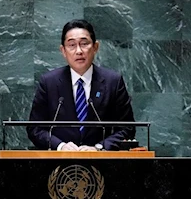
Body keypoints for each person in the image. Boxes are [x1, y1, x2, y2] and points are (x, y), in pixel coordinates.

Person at [27, 19, 135, 151]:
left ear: (95, 47)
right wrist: (60, 146)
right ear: (63, 51)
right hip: (58, 163)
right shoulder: (49, 82)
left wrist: (99, 147)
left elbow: (127, 128)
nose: (79, 51)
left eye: (84, 44)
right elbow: (35, 128)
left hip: (103, 163)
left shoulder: (113, 81)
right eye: (72, 45)